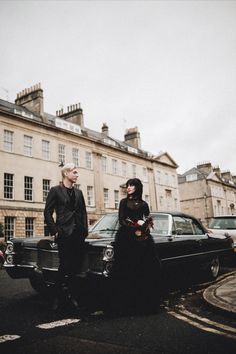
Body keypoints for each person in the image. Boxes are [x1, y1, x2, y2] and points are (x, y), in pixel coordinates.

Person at [112, 178, 161, 315]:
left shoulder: (144, 204)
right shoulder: (123, 202)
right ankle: (125, 305)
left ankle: (143, 305)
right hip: (126, 240)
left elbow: (147, 221)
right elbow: (122, 220)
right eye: (127, 185)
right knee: (126, 270)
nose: (128, 187)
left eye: (131, 185)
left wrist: (144, 228)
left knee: (143, 271)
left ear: (137, 187)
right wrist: (134, 229)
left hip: (142, 241)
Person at [44, 163, 88, 312]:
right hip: (63, 233)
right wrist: (54, 230)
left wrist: (85, 230)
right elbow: (47, 212)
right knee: (64, 266)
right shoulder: (55, 190)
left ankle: (72, 296)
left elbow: (83, 212)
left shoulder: (79, 192)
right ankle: (56, 297)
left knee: (75, 267)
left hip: (78, 234)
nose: (76, 175)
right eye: (74, 172)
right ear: (66, 173)